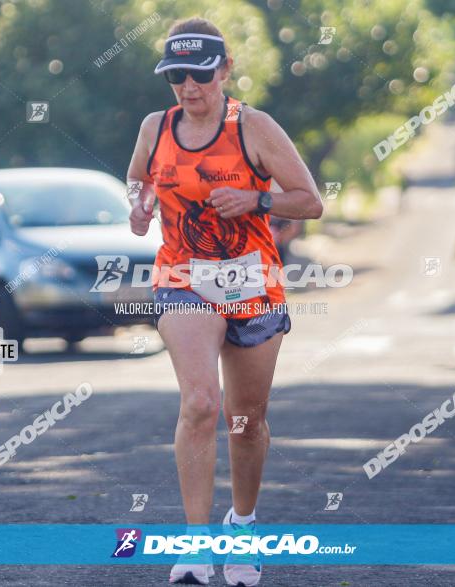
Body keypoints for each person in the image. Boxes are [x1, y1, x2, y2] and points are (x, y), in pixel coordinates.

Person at [126, 17, 323, 586]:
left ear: (225, 69)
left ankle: (244, 527)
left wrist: (257, 198)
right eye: (177, 77)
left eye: (201, 74)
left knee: (245, 420)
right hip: (183, 276)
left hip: (253, 282)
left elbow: (309, 202)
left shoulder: (254, 128)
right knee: (201, 403)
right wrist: (138, 206)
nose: (190, 87)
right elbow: (138, 180)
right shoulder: (154, 127)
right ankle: (194, 544)